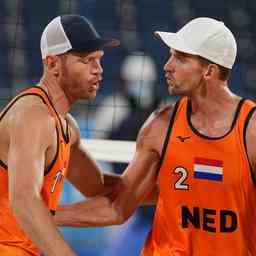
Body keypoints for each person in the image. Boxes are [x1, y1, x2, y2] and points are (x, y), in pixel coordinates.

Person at [55, 17, 256, 255]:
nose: (167, 66)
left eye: (180, 58)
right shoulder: (160, 125)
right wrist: (42, 214)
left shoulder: (250, 130)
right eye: (171, 55)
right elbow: (117, 208)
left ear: (209, 71)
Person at [0, 14, 120, 256]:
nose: (98, 70)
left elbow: (97, 188)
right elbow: (24, 200)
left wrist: (170, 191)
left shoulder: (66, 126)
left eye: (99, 60)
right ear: (53, 64)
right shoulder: (33, 116)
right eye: (87, 61)